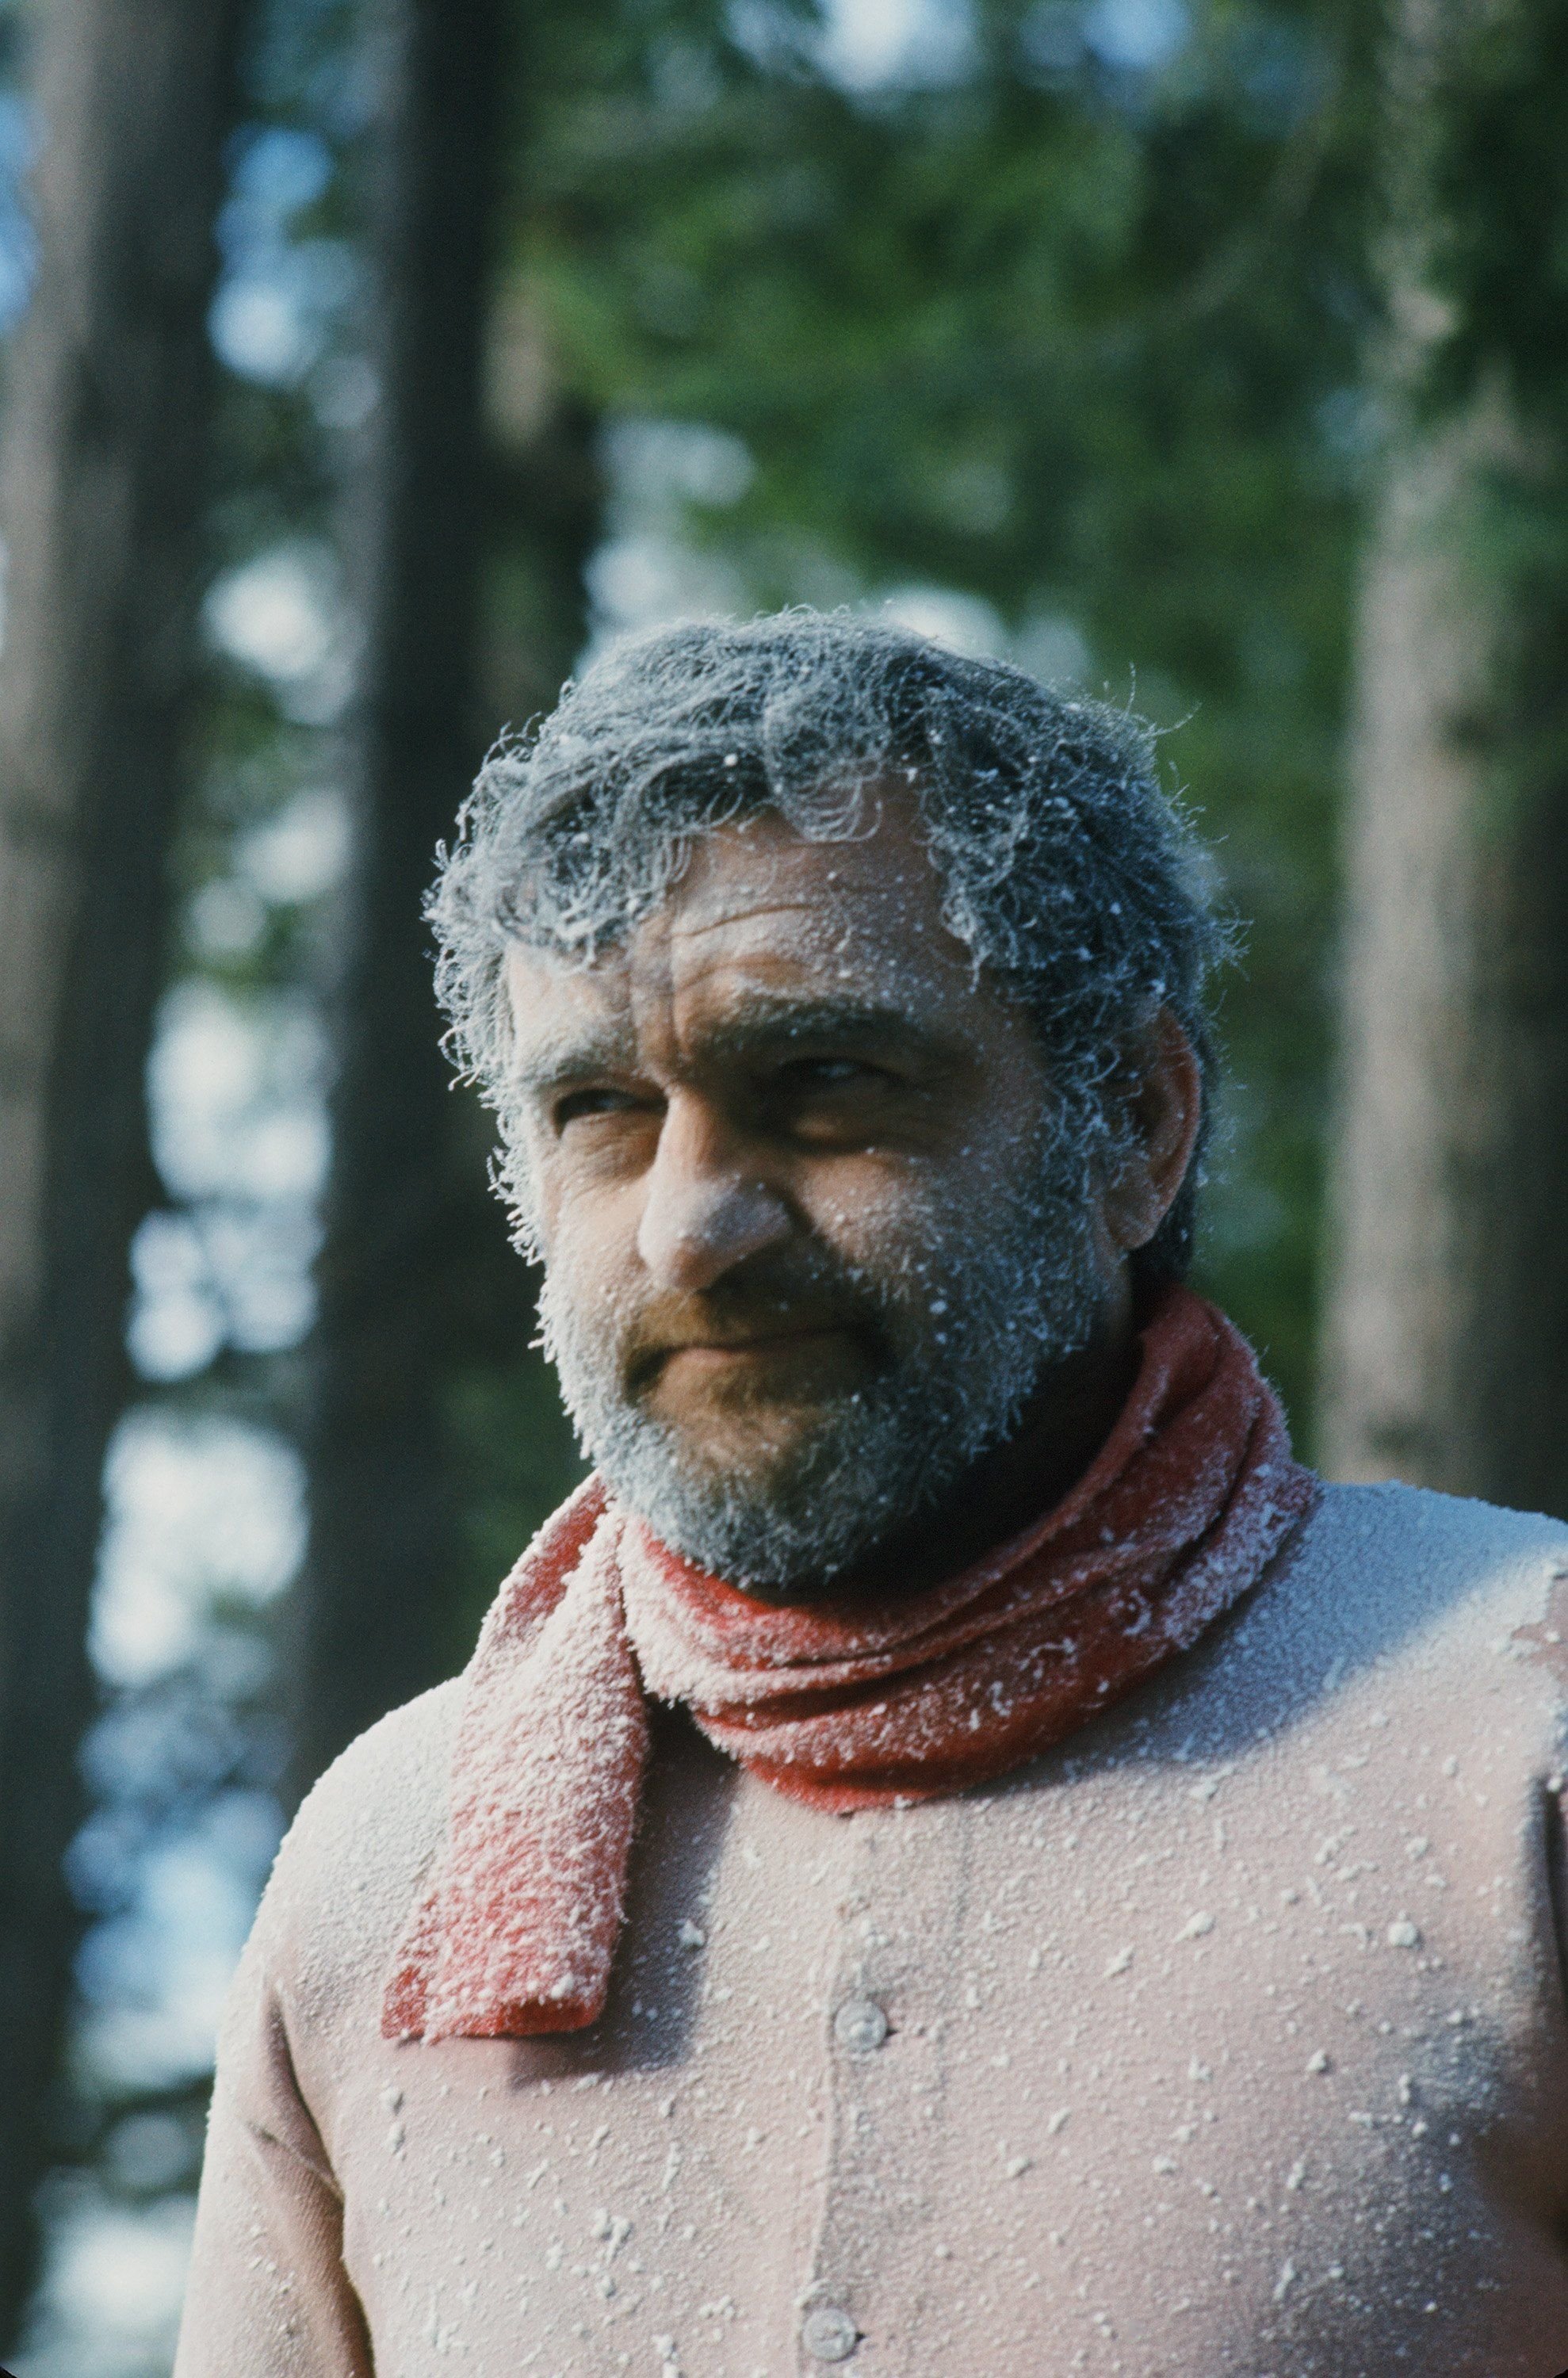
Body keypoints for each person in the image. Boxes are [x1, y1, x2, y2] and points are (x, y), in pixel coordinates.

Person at [175, 613, 1568, 2378]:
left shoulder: (1517, 1720)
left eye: (822, 1082)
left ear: (1132, 1127)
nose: (690, 1222)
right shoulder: (388, 1869)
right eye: (601, 1107)